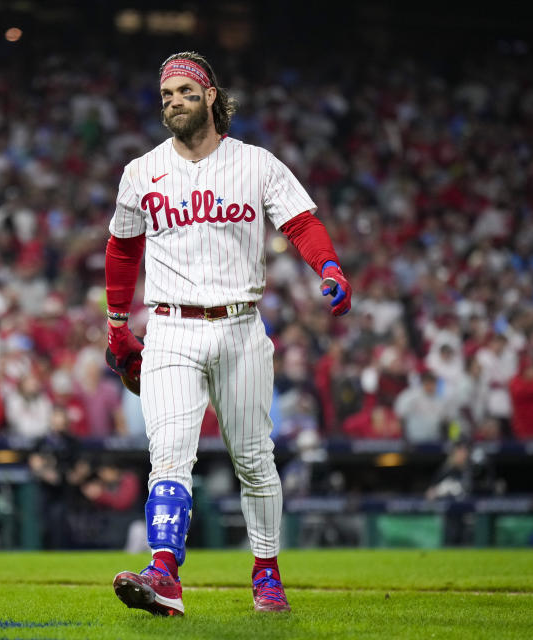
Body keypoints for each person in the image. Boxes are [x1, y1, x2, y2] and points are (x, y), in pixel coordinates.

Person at [105, 51, 351, 616]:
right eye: (166, 95)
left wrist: (329, 267)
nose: (174, 102)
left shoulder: (256, 163)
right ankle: (164, 573)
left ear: (211, 95)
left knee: (253, 459)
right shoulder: (140, 171)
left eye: (186, 91)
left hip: (241, 327)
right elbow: (122, 248)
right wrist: (117, 324)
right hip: (169, 328)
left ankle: (267, 573)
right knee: (168, 457)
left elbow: (301, 222)